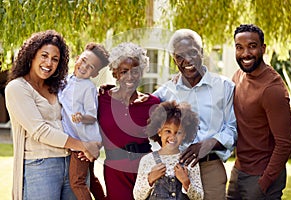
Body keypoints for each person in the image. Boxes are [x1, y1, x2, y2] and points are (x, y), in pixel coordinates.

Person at [5, 30, 100, 199]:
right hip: (41, 167)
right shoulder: (17, 88)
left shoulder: (58, 87)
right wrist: (83, 146)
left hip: (71, 162)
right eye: (44, 55)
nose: (49, 63)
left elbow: (80, 104)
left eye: (55, 59)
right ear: (31, 55)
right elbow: (40, 130)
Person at [153, 28, 237, 199]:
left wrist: (209, 143)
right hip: (176, 170)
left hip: (211, 169)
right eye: (180, 55)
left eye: (192, 52)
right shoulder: (165, 93)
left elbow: (232, 129)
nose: (187, 60)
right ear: (174, 59)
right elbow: (140, 111)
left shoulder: (224, 86)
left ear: (202, 52)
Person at [226, 24, 291, 199]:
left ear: (263, 48)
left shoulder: (272, 89)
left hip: (261, 177)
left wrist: (264, 182)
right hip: (238, 172)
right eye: (239, 47)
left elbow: (285, 144)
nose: (245, 54)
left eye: (252, 46)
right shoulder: (238, 76)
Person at [97, 42, 160, 200]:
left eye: (135, 71)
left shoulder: (153, 103)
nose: (130, 77)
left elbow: (165, 137)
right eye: (124, 71)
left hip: (146, 167)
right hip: (115, 170)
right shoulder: (101, 99)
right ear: (115, 73)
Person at [58, 42, 109, 199]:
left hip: (83, 140)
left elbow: (92, 115)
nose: (85, 66)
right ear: (77, 57)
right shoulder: (65, 80)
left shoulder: (88, 87)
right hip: (77, 138)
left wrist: (81, 117)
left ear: (94, 74)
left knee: (77, 182)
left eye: (91, 67)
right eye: (84, 60)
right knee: (91, 178)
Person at [133, 100, 204, 200]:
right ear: (159, 131)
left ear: (184, 135)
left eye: (178, 132)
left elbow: (199, 197)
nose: (172, 137)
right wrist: (150, 179)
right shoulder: (147, 160)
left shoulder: (189, 160)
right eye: (168, 131)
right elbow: (137, 196)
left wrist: (186, 182)